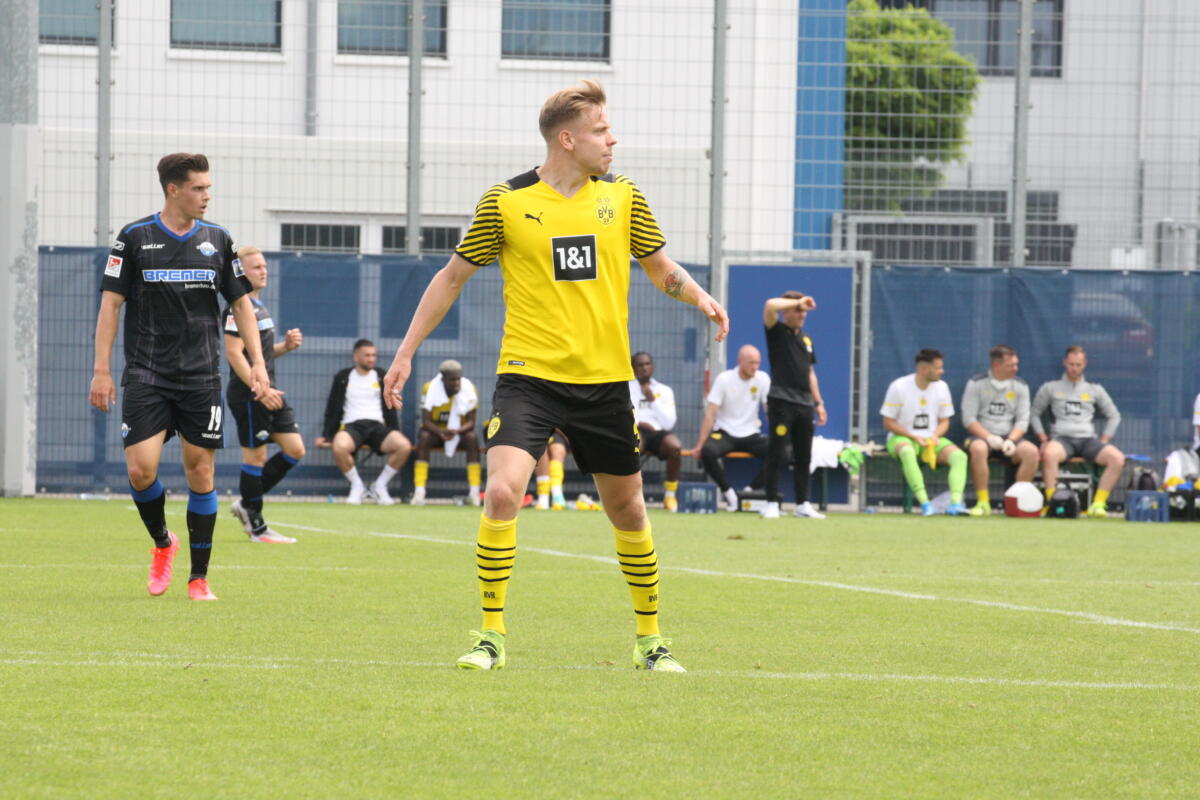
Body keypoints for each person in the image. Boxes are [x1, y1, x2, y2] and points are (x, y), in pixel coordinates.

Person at [382, 79, 728, 672]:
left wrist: (699, 296)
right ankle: (490, 635)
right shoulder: (506, 202)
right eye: (600, 131)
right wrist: (406, 351)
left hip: (604, 383)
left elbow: (659, 266)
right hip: (528, 378)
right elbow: (450, 278)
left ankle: (651, 641)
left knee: (629, 512)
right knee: (501, 491)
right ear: (567, 139)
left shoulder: (622, 197)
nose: (612, 139)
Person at [88, 152, 269, 601]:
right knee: (140, 469)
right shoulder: (133, 238)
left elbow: (241, 305)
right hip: (148, 373)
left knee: (201, 470)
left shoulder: (218, 239)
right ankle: (163, 543)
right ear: (174, 189)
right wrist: (101, 371)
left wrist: (259, 363)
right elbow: (111, 306)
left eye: (208, 188)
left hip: (201, 376)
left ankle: (198, 577)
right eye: (199, 188)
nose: (208, 196)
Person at [222, 246, 303, 543]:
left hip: (268, 390)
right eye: (256, 267)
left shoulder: (258, 307)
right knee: (256, 457)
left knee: (295, 449)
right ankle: (256, 527)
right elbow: (233, 354)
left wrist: (285, 347)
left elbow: (262, 356)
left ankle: (246, 502)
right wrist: (260, 388)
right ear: (241, 272)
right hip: (249, 394)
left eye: (264, 265)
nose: (263, 270)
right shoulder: (237, 305)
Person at [1031, 345, 1124, 517]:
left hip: (1088, 440)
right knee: (1050, 454)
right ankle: (1053, 501)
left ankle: (1098, 504)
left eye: (1078, 365)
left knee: (1117, 458)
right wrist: (1043, 439)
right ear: (1065, 363)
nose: (1074, 368)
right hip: (1062, 439)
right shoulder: (1050, 387)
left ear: (1084, 364)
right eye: (1071, 364)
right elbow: (1034, 413)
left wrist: (1104, 439)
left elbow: (1114, 415)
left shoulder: (1095, 389)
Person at [316, 339, 412, 505]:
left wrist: (394, 429)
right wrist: (326, 435)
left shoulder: (382, 376)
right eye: (367, 355)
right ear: (356, 357)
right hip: (352, 426)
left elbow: (390, 406)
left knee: (404, 446)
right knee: (339, 446)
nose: (371, 359)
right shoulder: (343, 377)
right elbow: (332, 408)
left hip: (377, 426)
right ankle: (357, 486)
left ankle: (379, 486)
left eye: (374, 355)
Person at [759, 291, 827, 520]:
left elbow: (810, 373)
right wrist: (798, 301)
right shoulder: (776, 331)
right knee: (776, 452)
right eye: (798, 310)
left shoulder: (806, 340)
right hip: (781, 401)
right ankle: (771, 503)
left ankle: (802, 504)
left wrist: (819, 403)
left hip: (805, 404)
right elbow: (770, 304)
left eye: (804, 311)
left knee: (804, 455)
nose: (802, 315)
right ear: (786, 311)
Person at [880, 348, 970, 516]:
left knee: (960, 457)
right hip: (902, 438)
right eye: (938, 368)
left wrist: (934, 436)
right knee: (907, 452)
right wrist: (914, 436)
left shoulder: (942, 387)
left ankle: (955, 505)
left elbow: (944, 421)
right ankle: (925, 504)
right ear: (924, 369)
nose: (941, 372)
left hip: (931, 440)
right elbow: (888, 422)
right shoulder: (898, 387)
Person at [684, 344, 770, 512]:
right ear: (740, 361)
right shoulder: (724, 379)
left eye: (757, 363)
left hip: (751, 434)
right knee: (707, 451)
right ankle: (729, 494)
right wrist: (700, 444)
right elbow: (711, 413)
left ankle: (748, 493)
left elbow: (769, 411)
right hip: (725, 433)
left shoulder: (763, 379)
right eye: (751, 362)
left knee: (780, 451)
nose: (755, 367)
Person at [960, 344, 1039, 516]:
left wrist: (1011, 440)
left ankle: (1017, 502)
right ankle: (983, 502)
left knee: (1031, 452)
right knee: (978, 449)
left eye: (1016, 364)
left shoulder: (1021, 386)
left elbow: (1023, 420)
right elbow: (969, 419)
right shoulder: (976, 384)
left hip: (1010, 437)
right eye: (1011, 365)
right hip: (981, 436)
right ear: (996, 365)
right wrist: (989, 438)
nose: (1015, 369)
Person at [412, 359, 481, 506]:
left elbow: (471, 422)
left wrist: (456, 431)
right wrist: (441, 431)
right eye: (452, 380)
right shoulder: (429, 388)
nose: (456, 383)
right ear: (443, 379)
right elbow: (426, 421)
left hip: (460, 433)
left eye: (458, 379)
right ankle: (419, 493)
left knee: (472, 438)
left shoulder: (470, 388)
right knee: (424, 436)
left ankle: (474, 494)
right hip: (437, 432)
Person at [629, 352, 683, 512]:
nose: (644, 368)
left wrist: (653, 400)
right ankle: (633, 496)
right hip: (635, 430)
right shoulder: (626, 388)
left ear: (652, 367)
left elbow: (669, 423)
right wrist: (639, 422)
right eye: (640, 365)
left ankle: (670, 494)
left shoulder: (664, 390)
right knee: (634, 446)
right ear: (633, 368)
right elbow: (624, 415)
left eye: (647, 364)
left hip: (657, 432)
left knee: (675, 446)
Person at [534, 430, 570, 510]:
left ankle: (557, 495)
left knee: (558, 450)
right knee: (541, 451)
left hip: (558, 430)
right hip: (538, 428)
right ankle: (543, 498)